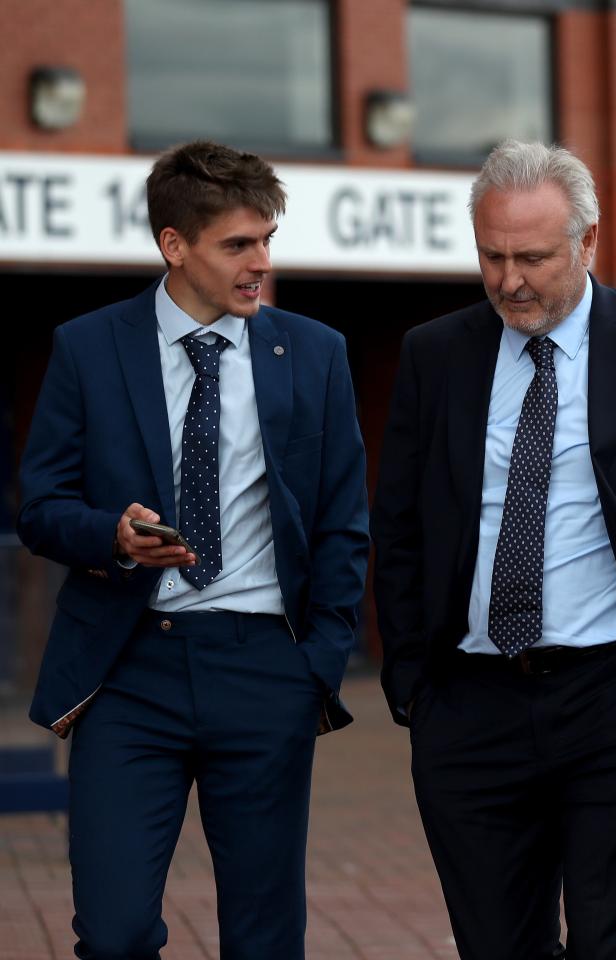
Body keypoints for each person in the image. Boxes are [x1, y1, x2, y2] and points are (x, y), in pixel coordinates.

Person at [372, 139, 616, 960]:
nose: (509, 280)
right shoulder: (435, 353)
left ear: (589, 243)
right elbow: (402, 524)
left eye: (534, 257)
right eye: (492, 256)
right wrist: (416, 677)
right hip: (469, 704)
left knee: (613, 943)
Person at [18, 140, 370, 958]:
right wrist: (111, 537)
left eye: (268, 240)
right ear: (174, 244)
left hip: (264, 670)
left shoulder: (314, 352)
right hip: (129, 670)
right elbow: (40, 508)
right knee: (113, 932)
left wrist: (317, 661)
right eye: (238, 245)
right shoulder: (89, 347)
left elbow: (343, 520)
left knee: (264, 935)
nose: (261, 264)